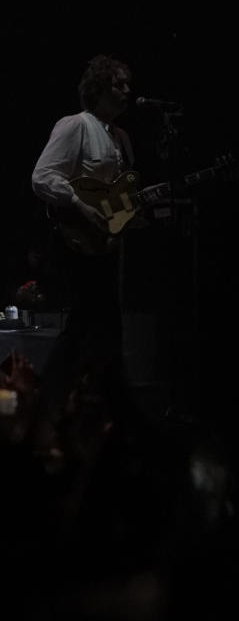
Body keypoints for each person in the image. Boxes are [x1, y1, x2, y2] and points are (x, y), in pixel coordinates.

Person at [30, 55, 134, 444]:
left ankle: (94, 410)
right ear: (99, 88)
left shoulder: (120, 137)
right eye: (119, 84)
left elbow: (120, 195)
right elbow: (43, 176)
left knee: (104, 326)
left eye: (127, 84)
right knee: (88, 324)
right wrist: (79, 203)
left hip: (106, 244)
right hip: (77, 242)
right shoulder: (76, 126)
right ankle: (48, 403)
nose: (127, 91)